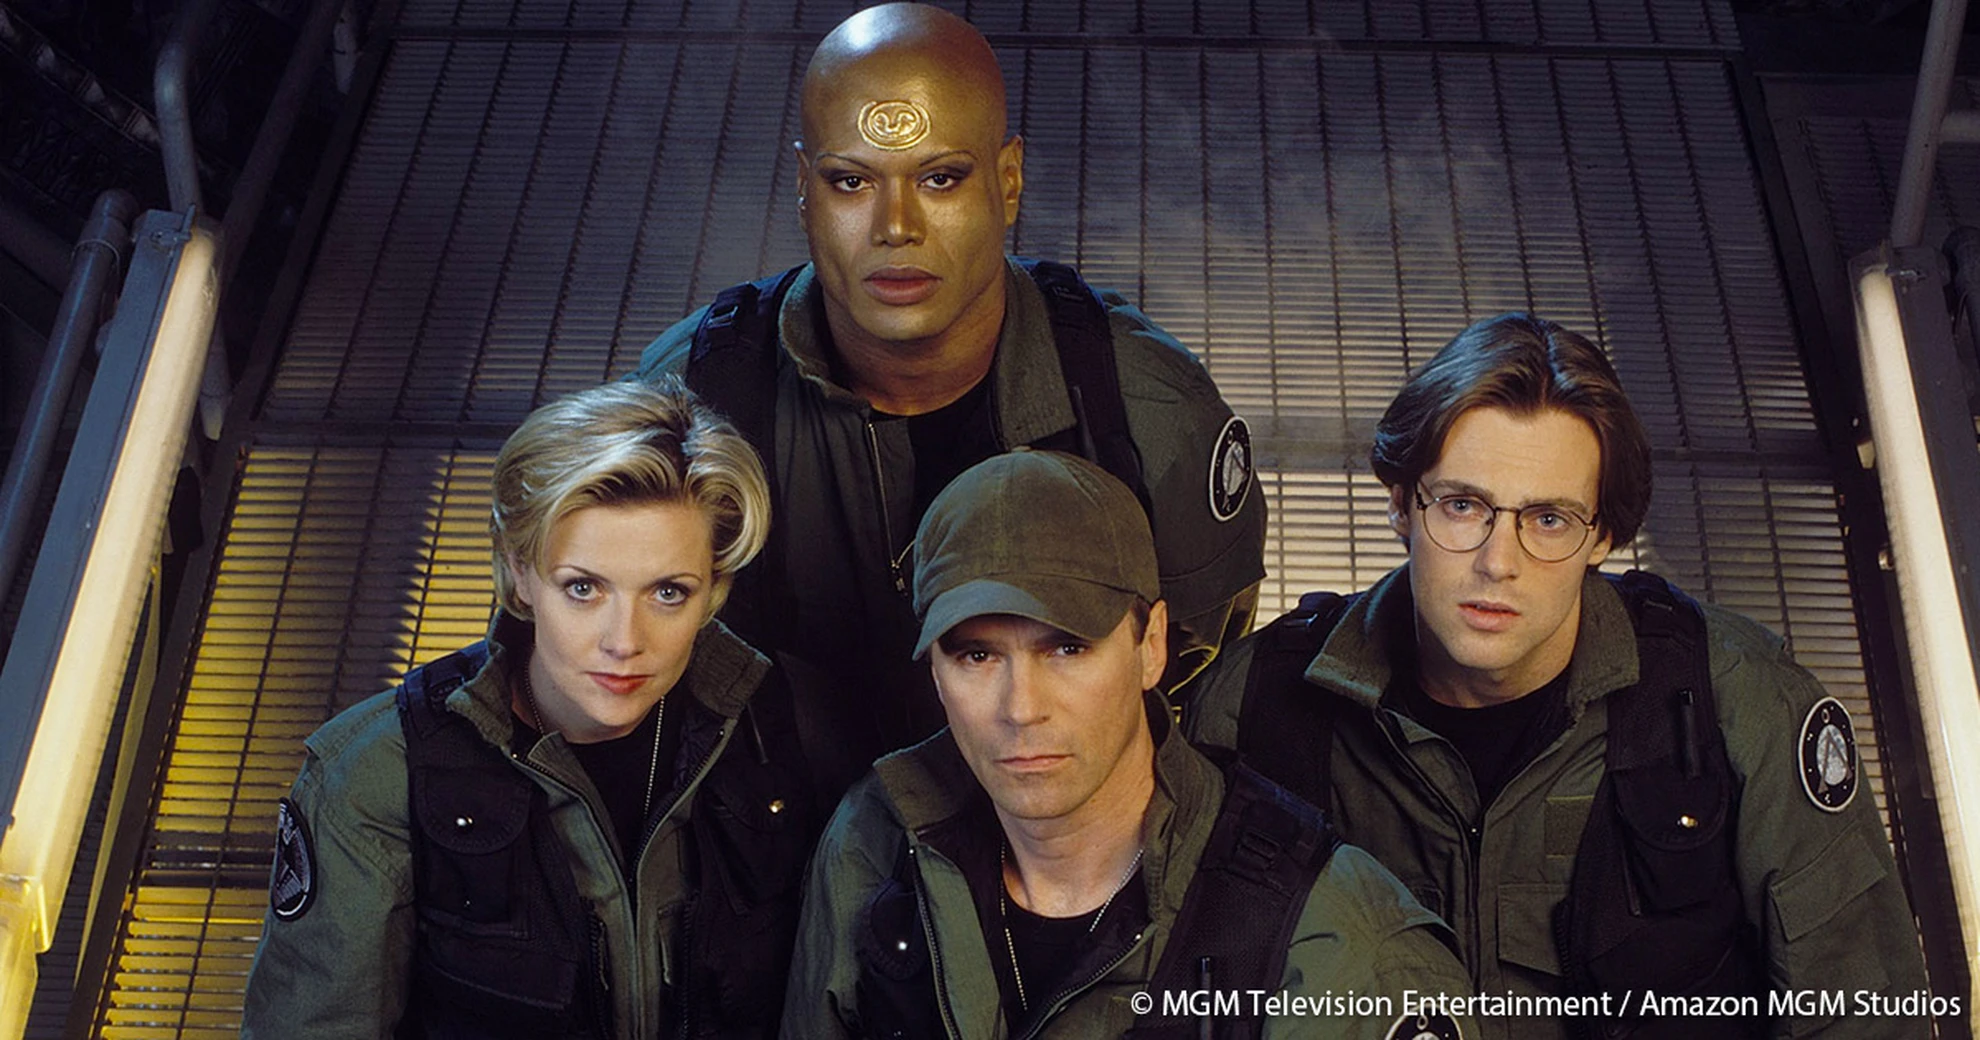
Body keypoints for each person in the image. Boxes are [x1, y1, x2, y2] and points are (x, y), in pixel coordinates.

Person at [1185, 314, 1933, 1039]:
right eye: (1463, 505)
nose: (1497, 562)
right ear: (1401, 505)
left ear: (1602, 535)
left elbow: (1867, 1014)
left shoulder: (1739, 704)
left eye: (1548, 519)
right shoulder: (1251, 705)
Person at [634, 2, 1265, 763]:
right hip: (768, 820)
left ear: (1008, 180)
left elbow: (1200, 696)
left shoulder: (1147, 412)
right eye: (851, 182)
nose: (896, 226)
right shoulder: (691, 399)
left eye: (939, 178)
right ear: (804, 187)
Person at [782, 449, 1477, 1040]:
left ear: (1151, 647)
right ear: (934, 670)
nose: (1021, 708)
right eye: (976, 656)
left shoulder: (1339, 942)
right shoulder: (875, 841)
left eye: (1068, 648)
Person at [240, 379, 832, 1039]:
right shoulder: (376, 776)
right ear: (520, 573)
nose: (624, 641)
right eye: (583, 588)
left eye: (668, 592)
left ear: (713, 589)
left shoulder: (785, 726)